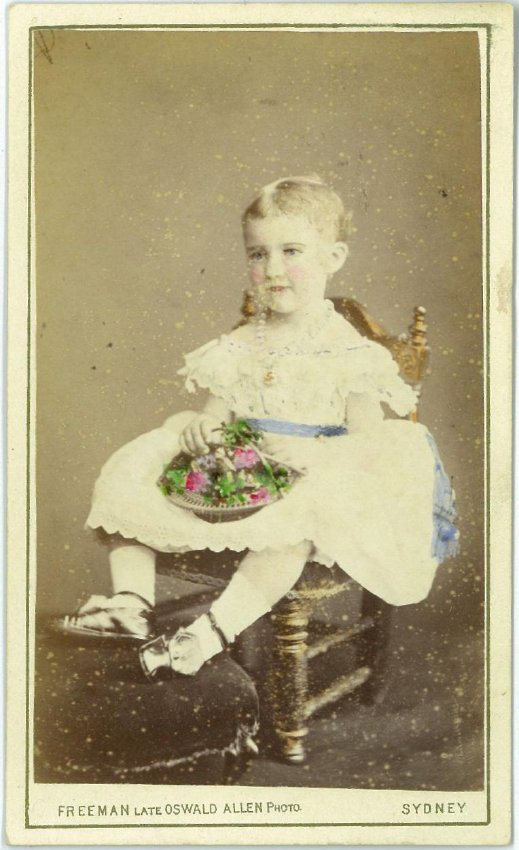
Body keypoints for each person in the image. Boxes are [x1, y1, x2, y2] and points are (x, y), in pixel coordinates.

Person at [57, 175, 458, 679]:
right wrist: (202, 430)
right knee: (136, 468)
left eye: (291, 251)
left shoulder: (351, 353)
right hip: (239, 477)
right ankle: (131, 604)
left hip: (308, 480)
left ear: (332, 258)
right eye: (257, 255)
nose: (272, 270)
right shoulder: (242, 343)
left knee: (289, 533)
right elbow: (214, 411)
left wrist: (319, 457)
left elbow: (368, 443)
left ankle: (208, 633)